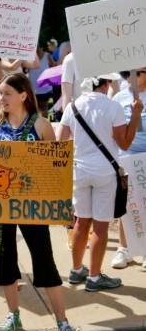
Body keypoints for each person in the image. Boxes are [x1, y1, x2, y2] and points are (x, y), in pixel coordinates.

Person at [0, 73, 86, 331]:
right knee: (5, 262)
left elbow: (56, 169)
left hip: (34, 208)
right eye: (0, 93)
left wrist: (66, 204)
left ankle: (63, 323)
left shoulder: (41, 125)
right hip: (2, 207)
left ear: (23, 95)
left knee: (44, 261)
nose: (1, 98)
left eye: (6, 93)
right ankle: (13, 316)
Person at [57, 73, 142, 291]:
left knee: (81, 223)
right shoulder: (112, 106)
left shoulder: (73, 106)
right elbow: (124, 143)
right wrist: (135, 115)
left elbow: (60, 142)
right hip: (105, 171)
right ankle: (94, 277)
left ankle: (77, 270)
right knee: (100, 227)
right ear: (105, 84)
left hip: (79, 170)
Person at [111, 67, 146, 269]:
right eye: (127, 74)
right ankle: (124, 249)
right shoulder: (119, 97)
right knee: (126, 203)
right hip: (126, 157)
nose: (131, 77)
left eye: (138, 73)